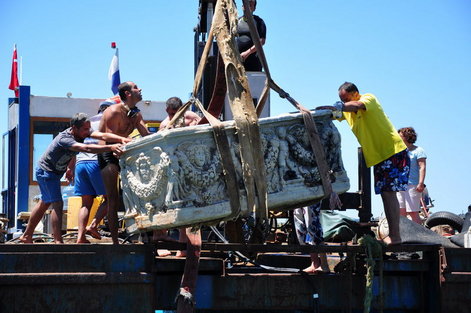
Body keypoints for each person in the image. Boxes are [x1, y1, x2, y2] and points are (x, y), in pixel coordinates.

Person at [317, 82, 409, 245]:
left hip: (392, 151)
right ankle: (394, 235)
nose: (343, 103)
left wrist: (341, 106)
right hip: (379, 157)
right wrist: (321, 110)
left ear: (355, 93)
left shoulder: (368, 98)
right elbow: (333, 114)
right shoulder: (347, 112)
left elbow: (357, 105)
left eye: (345, 99)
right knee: (385, 194)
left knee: (389, 193)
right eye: (341, 100)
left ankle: (395, 236)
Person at [19, 113, 130, 244]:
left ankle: (26, 236)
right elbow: (86, 148)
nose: (87, 132)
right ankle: (57, 241)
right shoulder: (65, 139)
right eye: (85, 129)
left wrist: (122, 139)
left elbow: (102, 135)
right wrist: (110, 147)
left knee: (45, 202)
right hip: (47, 172)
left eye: (88, 129)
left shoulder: (81, 133)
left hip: (55, 172)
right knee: (57, 204)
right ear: (74, 128)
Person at [98, 81, 151, 244]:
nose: (140, 89)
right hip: (108, 154)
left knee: (142, 194)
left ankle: (144, 237)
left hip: (124, 154)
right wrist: (125, 139)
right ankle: (115, 242)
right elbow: (107, 137)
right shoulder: (113, 111)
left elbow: (145, 135)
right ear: (128, 94)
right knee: (112, 198)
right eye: (136, 87)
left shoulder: (136, 113)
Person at [155, 96, 201, 257]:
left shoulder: (192, 117)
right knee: (165, 206)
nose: (170, 116)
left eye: (174, 113)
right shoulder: (164, 124)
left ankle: (182, 248)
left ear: (182, 110)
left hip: (188, 169)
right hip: (170, 171)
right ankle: (161, 245)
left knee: (185, 208)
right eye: (168, 113)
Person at [396, 127, 427, 224]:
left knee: (413, 212)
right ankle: (403, 236)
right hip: (400, 184)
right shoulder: (399, 151)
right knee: (401, 212)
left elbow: (422, 167)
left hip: (412, 184)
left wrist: (421, 183)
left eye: (400, 135)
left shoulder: (418, 150)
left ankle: (419, 236)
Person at [293, 203, 330, 273]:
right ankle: (314, 263)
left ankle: (324, 264)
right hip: (297, 194)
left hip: (311, 194)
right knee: (300, 228)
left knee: (313, 225)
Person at [236, 0, 266, 72]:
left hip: (253, 62)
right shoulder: (237, 21)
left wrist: (247, 53)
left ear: (254, 8)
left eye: (251, 4)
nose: (248, 5)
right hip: (238, 61)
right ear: (242, 6)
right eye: (246, 3)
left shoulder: (259, 22)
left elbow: (261, 41)